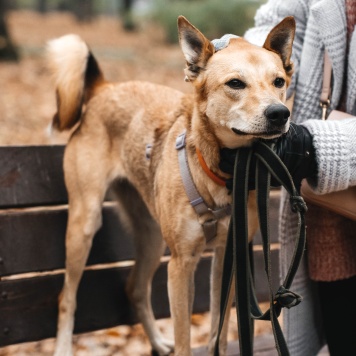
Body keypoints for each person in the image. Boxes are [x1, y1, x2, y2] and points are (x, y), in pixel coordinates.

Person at [221, 0, 356, 355]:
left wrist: (314, 146)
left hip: (322, 173)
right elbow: (273, 28)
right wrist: (232, 65)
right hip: (328, 222)